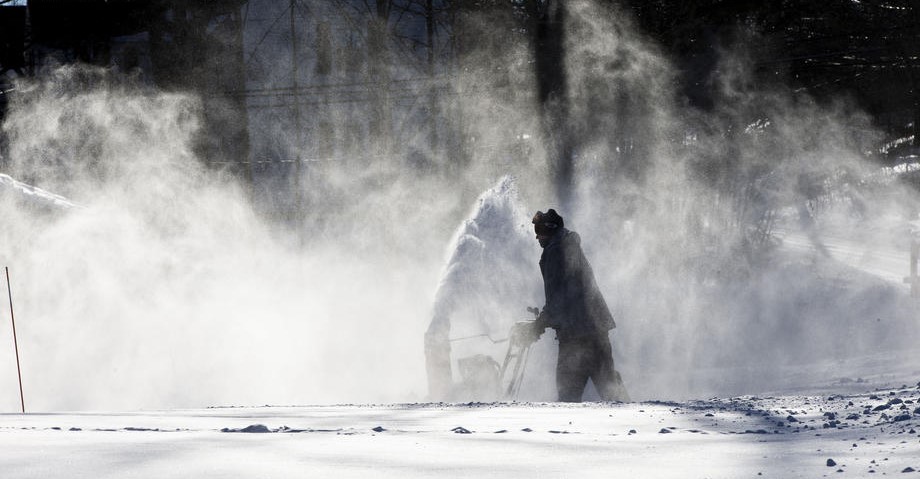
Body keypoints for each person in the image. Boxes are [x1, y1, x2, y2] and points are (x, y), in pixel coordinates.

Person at [529, 209, 628, 402]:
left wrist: (537, 326)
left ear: (549, 230)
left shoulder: (555, 251)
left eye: (539, 230)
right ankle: (635, 424)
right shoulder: (569, 246)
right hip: (598, 330)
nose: (537, 237)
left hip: (575, 336)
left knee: (567, 396)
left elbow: (558, 299)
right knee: (610, 390)